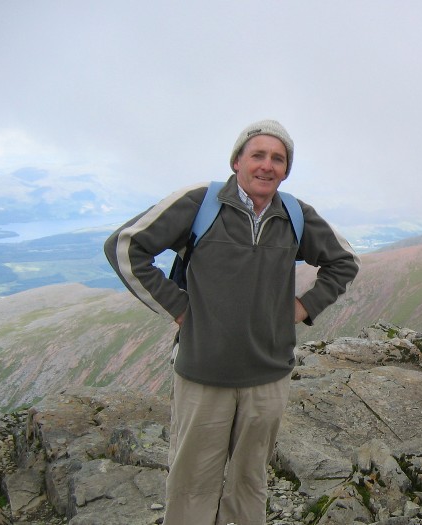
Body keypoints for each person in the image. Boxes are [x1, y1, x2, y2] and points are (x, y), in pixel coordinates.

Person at [104, 119, 360, 525]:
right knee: (192, 484)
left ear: (286, 169)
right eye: (257, 154)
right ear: (237, 160)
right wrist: (180, 306)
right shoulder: (200, 204)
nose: (267, 165)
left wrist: (304, 307)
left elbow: (344, 262)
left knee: (250, 482)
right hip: (204, 374)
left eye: (278, 158)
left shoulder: (294, 214)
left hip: (268, 376)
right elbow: (125, 246)